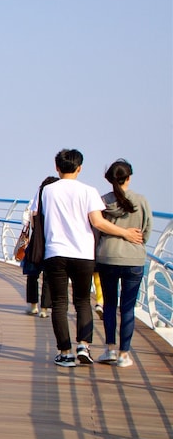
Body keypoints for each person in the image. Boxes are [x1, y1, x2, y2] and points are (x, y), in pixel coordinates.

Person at [41, 149, 143, 368]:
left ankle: (65, 353)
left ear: (57, 167)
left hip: (55, 252)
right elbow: (97, 222)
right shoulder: (89, 191)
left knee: (59, 303)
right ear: (80, 168)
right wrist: (125, 233)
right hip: (83, 254)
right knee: (82, 301)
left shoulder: (48, 191)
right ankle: (84, 346)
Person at [95, 159, 151, 368]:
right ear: (129, 177)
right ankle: (124, 354)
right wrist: (136, 240)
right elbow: (147, 229)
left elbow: (96, 229)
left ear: (110, 179)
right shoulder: (141, 201)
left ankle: (109, 349)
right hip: (134, 259)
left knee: (109, 304)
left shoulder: (102, 202)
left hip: (108, 257)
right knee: (127, 309)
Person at [23, 176, 59, 317]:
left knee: (32, 276)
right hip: (51, 243)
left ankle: (33, 306)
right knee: (48, 277)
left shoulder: (35, 202)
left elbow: (30, 223)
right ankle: (44, 309)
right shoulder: (55, 205)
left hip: (35, 243)